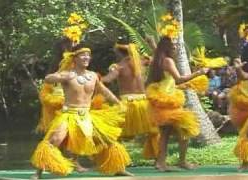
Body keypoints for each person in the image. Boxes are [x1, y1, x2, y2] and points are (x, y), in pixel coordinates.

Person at [31, 47, 132, 179]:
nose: (86, 58)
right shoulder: (68, 75)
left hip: (87, 115)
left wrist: (118, 102)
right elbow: (48, 78)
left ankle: (118, 168)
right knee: (54, 140)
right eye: (83, 55)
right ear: (75, 58)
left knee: (107, 140)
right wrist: (60, 75)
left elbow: (104, 91)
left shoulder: (93, 76)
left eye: (88, 56)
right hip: (69, 114)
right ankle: (38, 172)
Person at [146, 36, 208, 171]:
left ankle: (161, 163)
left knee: (165, 134)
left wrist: (152, 43)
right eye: (173, 45)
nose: (175, 47)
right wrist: (199, 73)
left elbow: (157, 51)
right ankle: (181, 161)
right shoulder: (168, 61)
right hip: (168, 102)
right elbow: (179, 79)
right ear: (167, 48)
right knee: (185, 131)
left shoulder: (158, 60)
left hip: (160, 101)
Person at [102, 43, 159, 159]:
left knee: (117, 133)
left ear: (119, 53)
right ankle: (159, 160)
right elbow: (159, 58)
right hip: (144, 103)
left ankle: (115, 160)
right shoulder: (142, 63)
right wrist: (152, 43)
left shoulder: (119, 67)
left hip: (127, 104)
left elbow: (107, 80)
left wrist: (95, 78)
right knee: (154, 131)